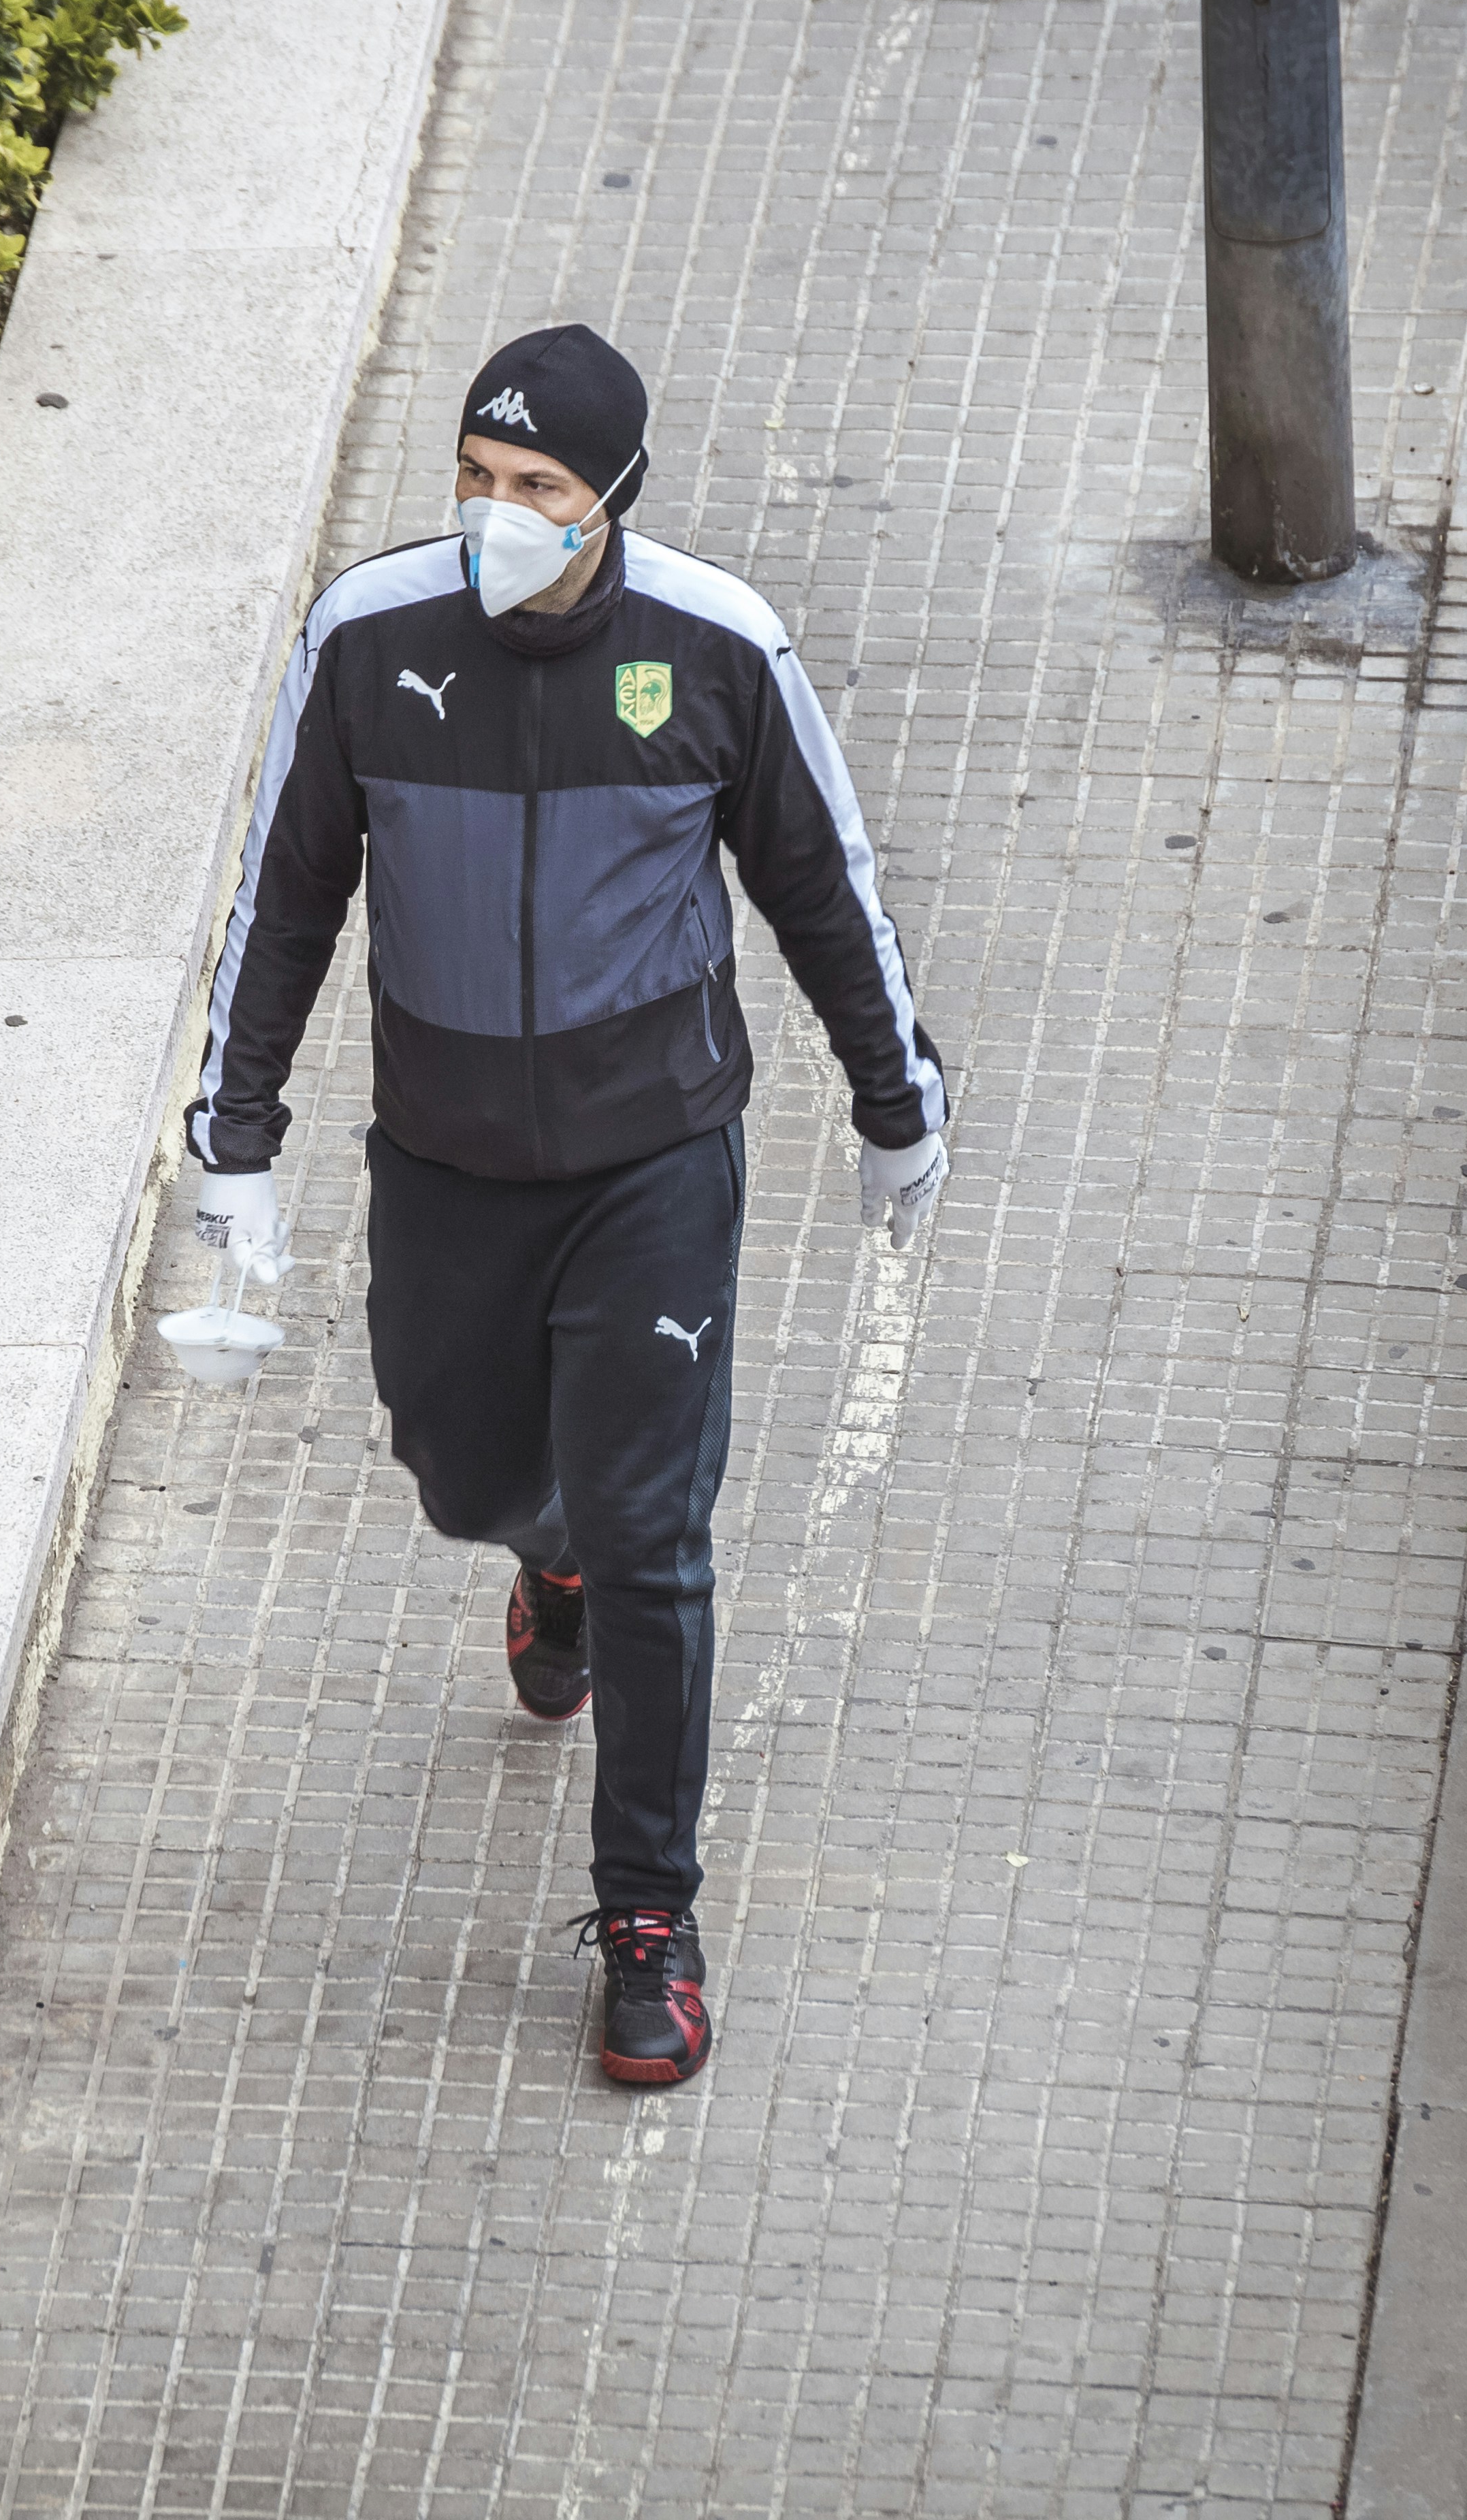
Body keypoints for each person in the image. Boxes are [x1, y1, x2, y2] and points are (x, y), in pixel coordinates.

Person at [184, 323, 947, 2089]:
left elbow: (821, 885)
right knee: (461, 1468)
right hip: (446, 1164)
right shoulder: (367, 643)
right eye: (471, 478)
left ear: (610, 500)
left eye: (532, 490)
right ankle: (550, 1562)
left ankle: (646, 1925)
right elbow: (282, 903)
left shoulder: (713, 653)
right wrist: (237, 1141)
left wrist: (893, 1098)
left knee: (663, 1531)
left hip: (652, 1165)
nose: (493, 516)